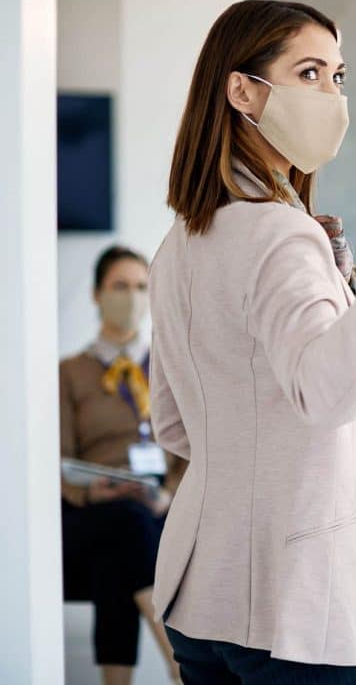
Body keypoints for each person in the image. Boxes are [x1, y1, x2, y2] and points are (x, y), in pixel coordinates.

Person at [148, 0, 356, 683]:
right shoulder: (279, 232)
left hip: (202, 595)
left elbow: (175, 425)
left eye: (340, 76)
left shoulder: (178, 246)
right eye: (312, 73)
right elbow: (324, 395)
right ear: (242, 89)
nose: (333, 96)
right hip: (300, 608)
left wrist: (348, 439)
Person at [60, 245, 186, 685]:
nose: (130, 297)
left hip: (158, 509)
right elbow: (58, 459)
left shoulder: (171, 369)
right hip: (92, 508)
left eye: (140, 287)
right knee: (125, 524)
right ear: (96, 294)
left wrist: (168, 492)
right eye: (119, 286)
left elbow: (189, 451)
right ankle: (178, 663)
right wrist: (91, 491)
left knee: (121, 550)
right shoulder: (68, 372)